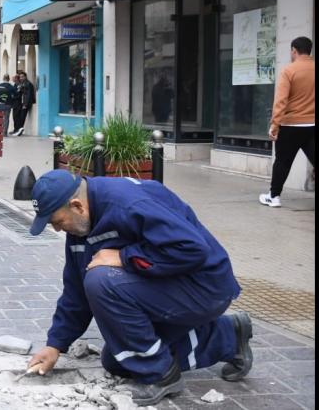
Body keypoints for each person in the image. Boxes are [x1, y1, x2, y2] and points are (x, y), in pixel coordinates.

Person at [26, 169, 253, 406]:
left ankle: (162, 374)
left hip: (204, 286)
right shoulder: (80, 226)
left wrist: (124, 257)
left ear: (77, 206)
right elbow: (75, 290)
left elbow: (191, 248)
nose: (58, 230)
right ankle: (228, 336)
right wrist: (55, 345)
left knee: (101, 280)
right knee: (120, 360)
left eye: (58, 222)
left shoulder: (128, 203)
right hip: (170, 285)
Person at [260, 36, 315, 208]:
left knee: (283, 161)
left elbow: (281, 101)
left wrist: (274, 125)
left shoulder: (289, 71)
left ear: (294, 50)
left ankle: (274, 196)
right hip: (313, 125)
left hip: (291, 126)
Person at [13, 71, 35, 136]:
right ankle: (18, 130)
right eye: (20, 77)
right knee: (19, 118)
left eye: (22, 77)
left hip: (25, 104)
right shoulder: (22, 84)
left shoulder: (28, 84)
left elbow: (28, 95)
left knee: (22, 118)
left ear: (25, 77)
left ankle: (19, 131)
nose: (21, 78)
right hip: (21, 103)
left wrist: (25, 104)